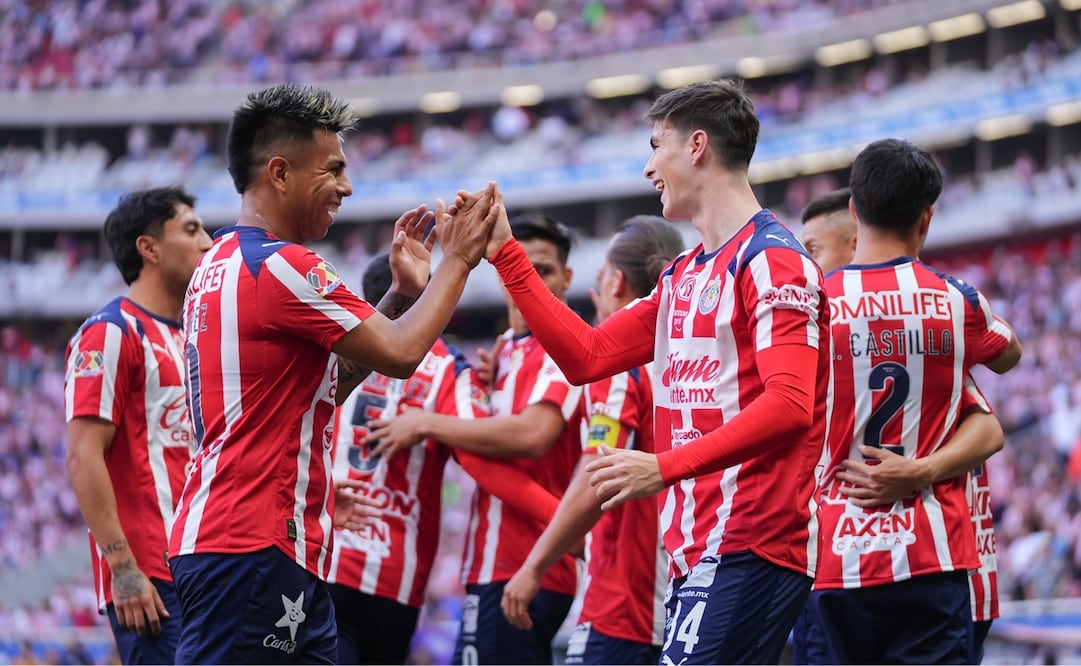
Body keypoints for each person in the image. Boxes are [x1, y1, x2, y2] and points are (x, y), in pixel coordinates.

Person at [475, 78, 832, 664]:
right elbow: (587, 356)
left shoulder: (774, 260)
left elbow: (790, 405)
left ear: (697, 146)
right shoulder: (682, 276)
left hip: (754, 540)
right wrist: (506, 255)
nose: (648, 168)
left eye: (655, 145)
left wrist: (662, 467)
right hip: (695, 547)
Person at [167, 83, 497, 664]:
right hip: (250, 543)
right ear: (280, 172)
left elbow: (324, 385)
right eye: (333, 170)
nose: (347, 187)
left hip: (258, 538)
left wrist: (399, 296)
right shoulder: (283, 265)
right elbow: (401, 354)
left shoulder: (218, 263)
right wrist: (460, 260)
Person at [803, 138, 1021, 664]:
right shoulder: (957, 300)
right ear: (927, 217)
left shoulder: (814, 306)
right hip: (930, 555)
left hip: (833, 556)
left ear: (854, 210)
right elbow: (1008, 354)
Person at [367, 214, 585, 665]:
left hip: (526, 565)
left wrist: (428, 423)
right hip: (491, 563)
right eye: (522, 267)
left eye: (544, 270)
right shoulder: (505, 353)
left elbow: (533, 435)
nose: (531, 280)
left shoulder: (561, 346)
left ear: (567, 277)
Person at [499, 215, 685, 665]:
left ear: (616, 281)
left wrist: (534, 566)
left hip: (626, 607)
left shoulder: (620, 364)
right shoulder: (684, 356)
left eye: (601, 272)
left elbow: (597, 473)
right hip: (679, 593)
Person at [65, 187, 212, 664]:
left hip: (208, 567)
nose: (208, 242)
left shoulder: (196, 338)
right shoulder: (109, 332)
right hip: (152, 579)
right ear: (148, 248)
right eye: (191, 229)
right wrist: (123, 568)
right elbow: (82, 454)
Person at [327, 253, 490, 665]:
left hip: (327, 552)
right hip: (395, 569)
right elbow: (482, 446)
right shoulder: (449, 367)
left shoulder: (334, 348)